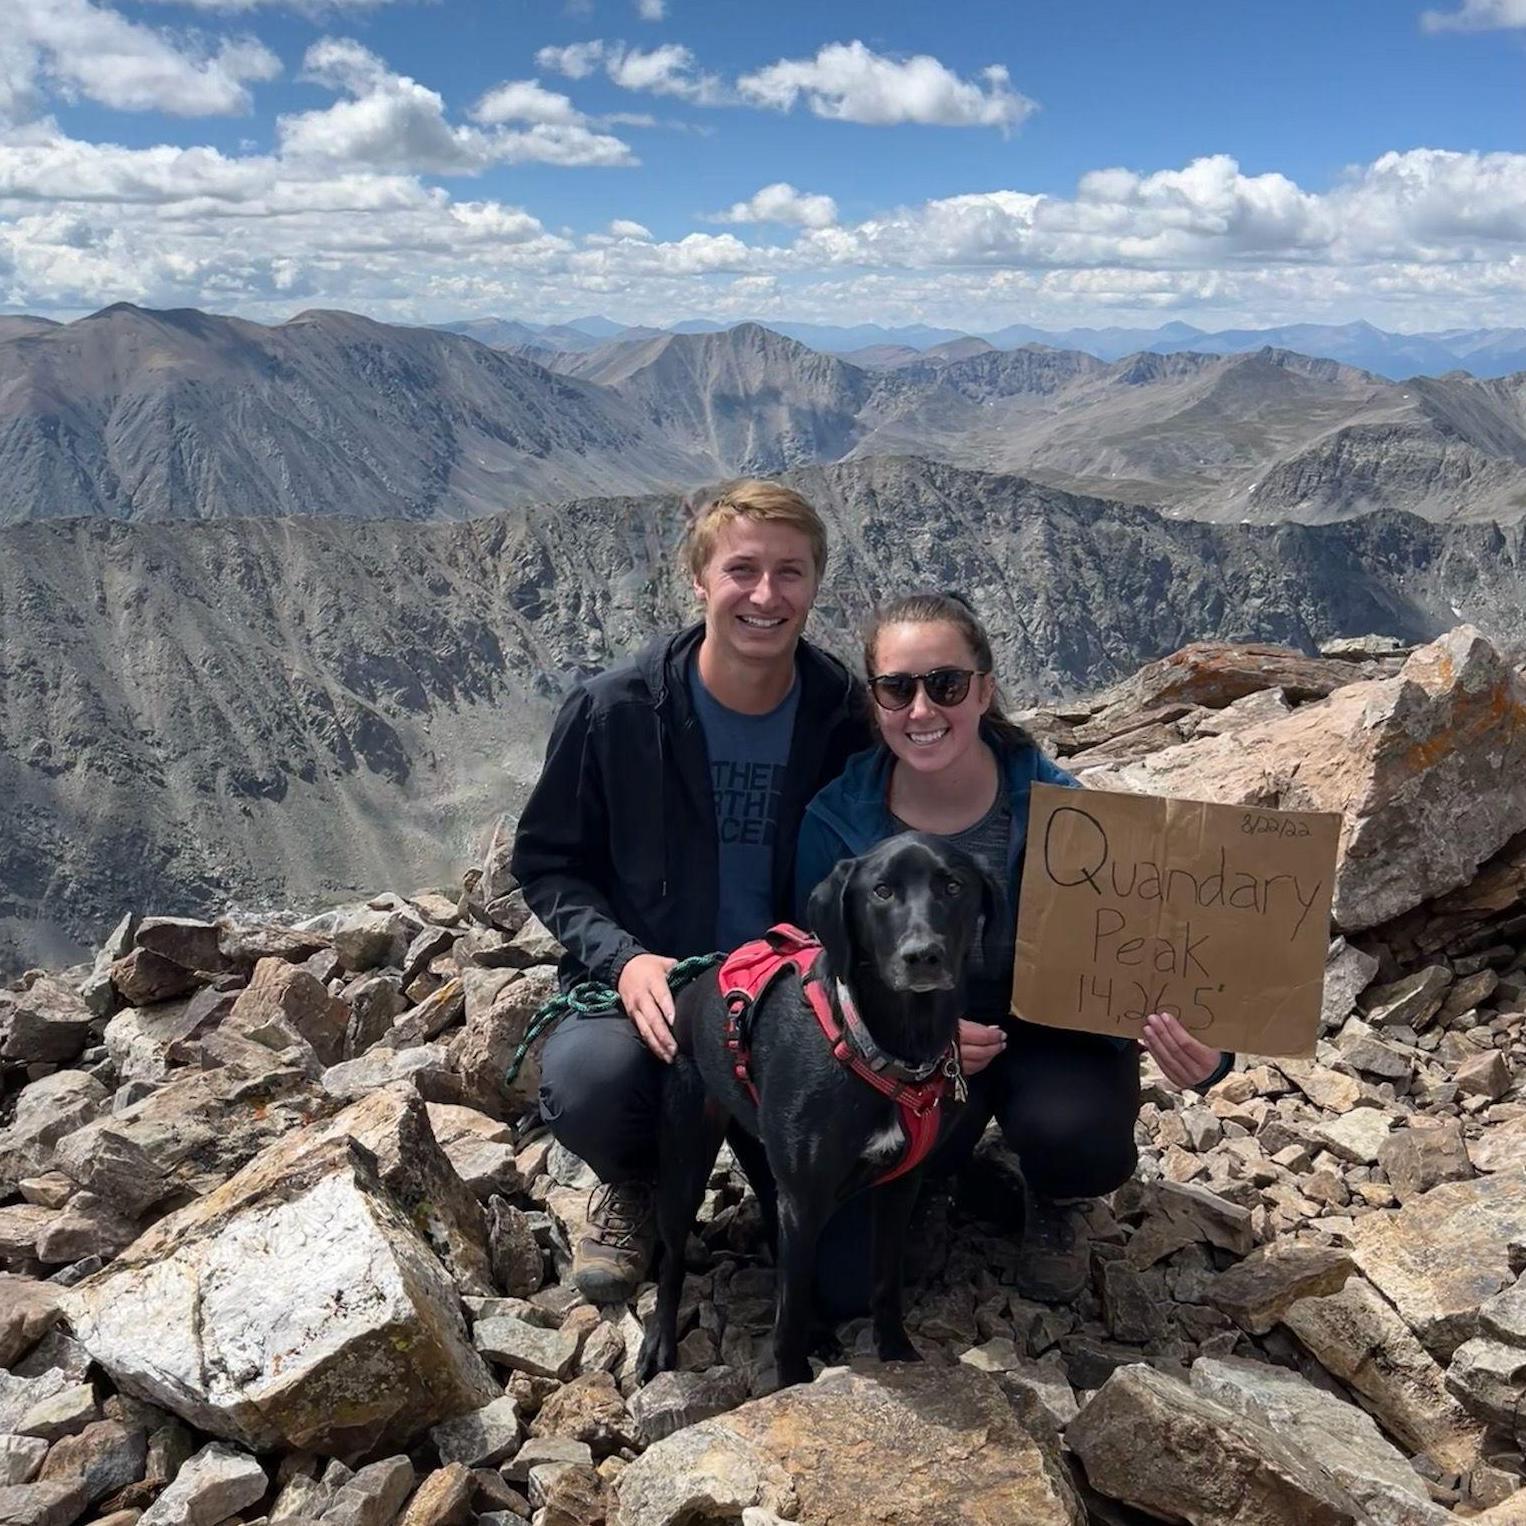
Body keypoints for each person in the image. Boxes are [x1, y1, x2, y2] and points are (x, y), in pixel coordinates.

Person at [794, 591, 1233, 1303]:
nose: (922, 710)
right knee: (846, 1283)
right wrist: (902, 1034)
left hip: (1049, 1038)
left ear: (985, 689)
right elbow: (810, 969)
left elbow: (1161, 951)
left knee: (1081, 1140)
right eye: (897, 689)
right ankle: (934, 1176)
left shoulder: (1067, 808)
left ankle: (1054, 1198)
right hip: (903, 1045)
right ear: (874, 701)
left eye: (946, 684)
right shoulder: (836, 822)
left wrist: (1213, 1056)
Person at [510, 480, 871, 1303]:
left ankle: (795, 1173)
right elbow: (547, 863)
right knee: (592, 1083)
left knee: (846, 1283)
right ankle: (636, 1180)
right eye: (741, 569)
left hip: (793, 1005)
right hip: (656, 986)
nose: (766, 595)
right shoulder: (615, 711)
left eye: (792, 572)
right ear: (699, 580)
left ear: (818, 584)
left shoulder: (843, 714)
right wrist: (624, 960)